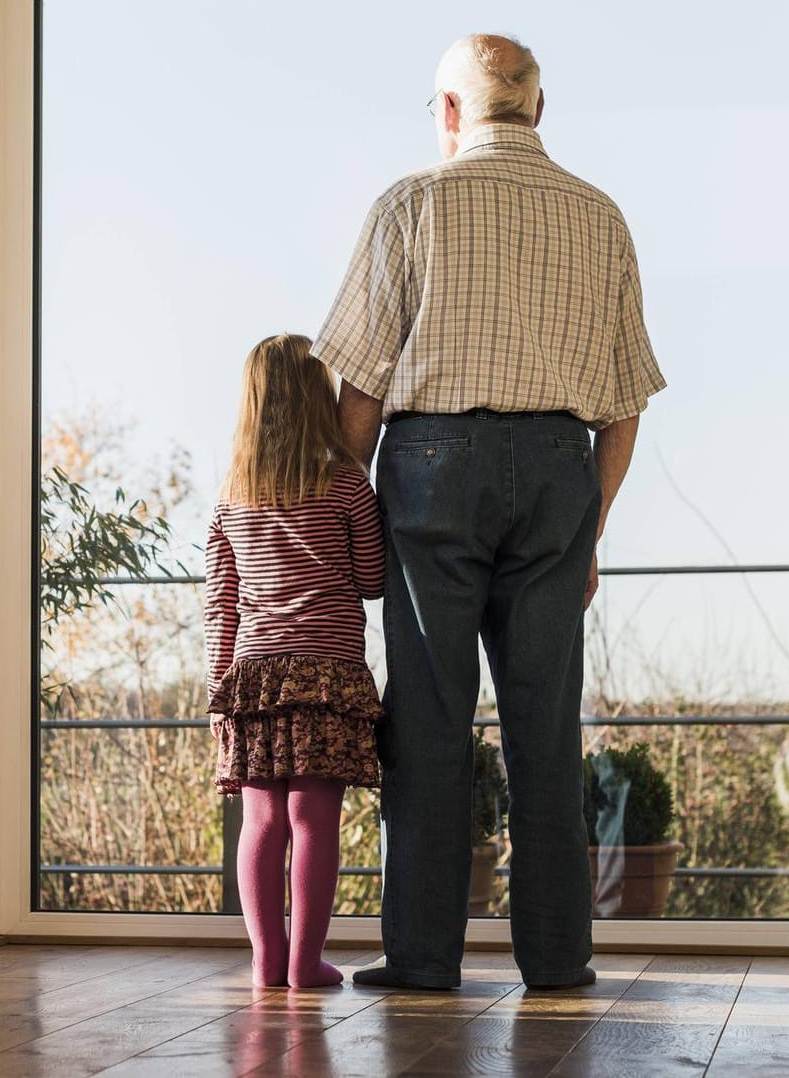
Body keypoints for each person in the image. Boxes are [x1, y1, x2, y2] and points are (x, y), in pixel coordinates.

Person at [315, 34, 667, 991]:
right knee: (544, 723)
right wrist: (590, 524)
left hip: (432, 465)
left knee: (427, 716)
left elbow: (359, 393)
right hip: (561, 463)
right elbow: (626, 404)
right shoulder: (601, 217)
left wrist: (348, 513)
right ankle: (558, 958)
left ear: (449, 112)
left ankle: (424, 958)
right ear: (538, 112)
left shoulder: (409, 206)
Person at [205, 333, 387, 989]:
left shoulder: (231, 497)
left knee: (260, 821)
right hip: (326, 673)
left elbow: (220, 606)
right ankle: (305, 963)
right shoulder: (346, 485)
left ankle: (266, 962)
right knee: (314, 821)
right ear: (321, 399)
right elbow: (373, 578)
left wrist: (215, 693)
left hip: (252, 679)